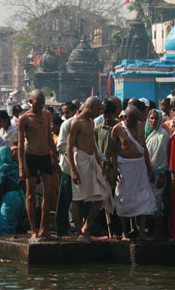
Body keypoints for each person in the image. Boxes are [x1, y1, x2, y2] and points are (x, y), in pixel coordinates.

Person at [67, 96, 111, 240]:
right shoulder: (76, 122)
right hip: (80, 159)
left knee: (102, 195)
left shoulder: (91, 122)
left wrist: (99, 164)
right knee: (78, 197)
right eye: (98, 110)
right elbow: (68, 147)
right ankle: (80, 232)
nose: (99, 113)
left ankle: (86, 226)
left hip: (91, 159)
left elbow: (93, 144)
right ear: (90, 107)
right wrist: (73, 170)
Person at [18, 90, 59, 240]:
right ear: (30, 101)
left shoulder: (47, 115)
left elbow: (49, 136)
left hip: (45, 157)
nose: (40, 106)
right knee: (31, 195)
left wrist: (55, 157)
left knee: (48, 194)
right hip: (31, 157)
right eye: (37, 103)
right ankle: (33, 230)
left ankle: (43, 229)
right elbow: (21, 144)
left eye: (42, 103)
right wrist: (21, 167)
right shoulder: (24, 118)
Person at [111, 106, 156, 240]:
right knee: (124, 199)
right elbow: (112, 150)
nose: (136, 120)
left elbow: (144, 147)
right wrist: (114, 169)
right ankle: (125, 233)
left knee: (145, 198)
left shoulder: (141, 126)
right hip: (125, 167)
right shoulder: (117, 129)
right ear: (125, 117)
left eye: (138, 118)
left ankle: (141, 232)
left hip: (140, 165)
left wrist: (149, 168)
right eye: (133, 118)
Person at [144, 109, 171, 241]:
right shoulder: (149, 134)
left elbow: (164, 158)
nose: (153, 121)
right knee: (149, 203)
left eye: (155, 118)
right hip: (148, 174)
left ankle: (158, 233)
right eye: (151, 118)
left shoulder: (163, 135)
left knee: (157, 203)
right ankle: (151, 230)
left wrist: (162, 174)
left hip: (158, 174)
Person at [55, 103, 77, 238]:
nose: (65, 115)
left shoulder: (85, 122)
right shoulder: (66, 124)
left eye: (67, 112)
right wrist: (75, 152)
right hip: (67, 167)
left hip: (82, 166)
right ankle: (61, 229)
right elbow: (60, 146)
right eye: (63, 113)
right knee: (64, 199)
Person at [0, 146, 25, 235]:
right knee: (15, 222)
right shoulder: (17, 166)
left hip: (10, 198)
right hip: (21, 195)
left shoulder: (3, 168)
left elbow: (0, 186)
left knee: (6, 224)